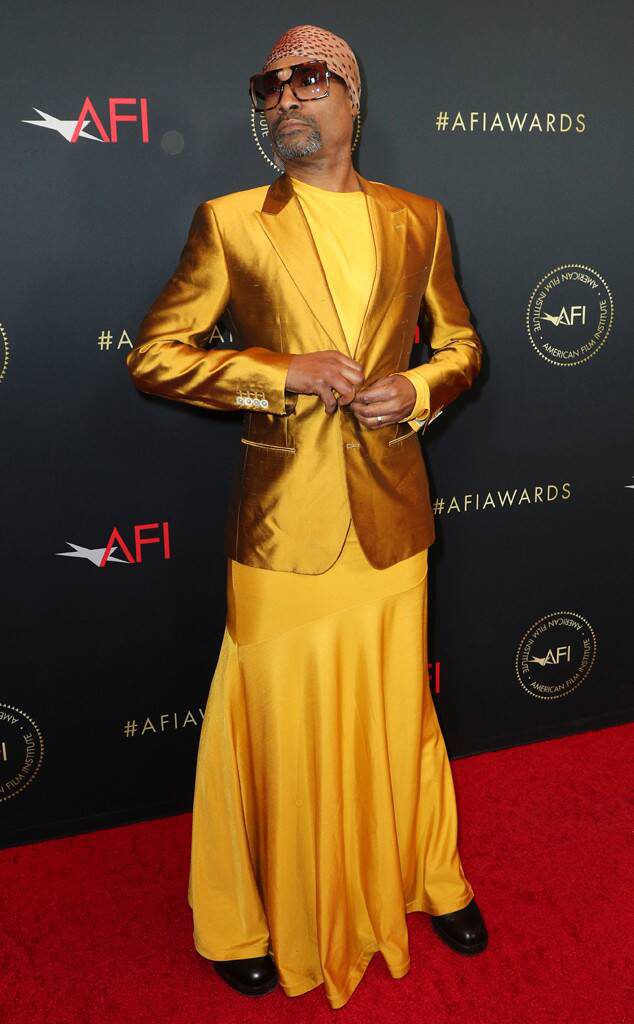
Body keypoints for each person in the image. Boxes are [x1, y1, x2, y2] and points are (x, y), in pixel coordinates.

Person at [126, 23, 487, 1011]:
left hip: (388, 517)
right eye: (272, 83)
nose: (287, 96)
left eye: (310, 77)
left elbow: (459, 346)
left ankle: (429, 878)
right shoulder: (231, 220)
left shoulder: (420, 218)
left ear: (353, 98)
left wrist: (413, 393)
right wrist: (278, 374)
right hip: (283, 529)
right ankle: (245, 919)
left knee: (399, 713)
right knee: (267, 725)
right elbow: (155, 355)